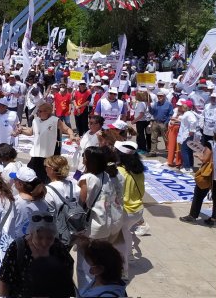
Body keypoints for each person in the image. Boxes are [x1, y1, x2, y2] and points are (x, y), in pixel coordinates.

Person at [76, 146, 124, 288]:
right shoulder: (106, 175)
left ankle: (87, 292)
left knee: (85, 266)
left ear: (89, 160)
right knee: (99, 263)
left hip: (92, 228)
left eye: (84, 156)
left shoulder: (87, 178)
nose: (83, 158)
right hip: (106, 224)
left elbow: (81, 202)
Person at [0, 211, 75, 298]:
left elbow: (68, 272)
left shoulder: (58, 248)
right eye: (40, 237)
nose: (44, 242)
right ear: (31, 234)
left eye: (49, 238)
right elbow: (5, 279)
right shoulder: (17, 247)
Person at [180, 123, 216, 227]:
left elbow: (205, 159)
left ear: (214, 133)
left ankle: (192, 216)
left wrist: (198, 155)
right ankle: (214, 219)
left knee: (199, 193)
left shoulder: (211, 144)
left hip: (210, 174)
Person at [17, 102, 78, 183]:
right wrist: (21, 130)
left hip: (49, 154)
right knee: (33, 172)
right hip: (36, 152)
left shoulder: (55, 120)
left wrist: (71, 135)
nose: (38, 113)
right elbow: (30, 131)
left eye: (40, 111)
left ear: (47, 112)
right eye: (38, 111)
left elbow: (67, 129)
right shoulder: (36, 121)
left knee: (47, 175)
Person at [115, 140, 146, 278]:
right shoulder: (138, 170)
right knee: (126, 233)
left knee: (119, 241)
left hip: (125, 212)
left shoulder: (119, 171)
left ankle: (123, 272)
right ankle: (129, 255)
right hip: (138, 210)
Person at [0, 99, 20, 167]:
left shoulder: (13, 115)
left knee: (7, 161)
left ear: (5, 107)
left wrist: (16, 132)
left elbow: (18, 126)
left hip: (7, 143)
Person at [148, 90, 174, 157]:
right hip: (155, 122)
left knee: (166, 138)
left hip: (163, 123)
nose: (159, 97)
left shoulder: (169, 104)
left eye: (161, 96)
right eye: (158, 96)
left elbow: (170, 114)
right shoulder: (156, 104)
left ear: (164, 96)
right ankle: (153, 152)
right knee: (153, 138)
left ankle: (168, 152)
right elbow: (152, 112)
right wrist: (149, 106)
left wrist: (166, 123)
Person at [176, 99, 199, 173]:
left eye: (183, 105)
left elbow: (193, 121)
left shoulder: (188, 113)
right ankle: (190, 166)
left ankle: (187, 167)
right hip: (186, 134)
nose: (182, 106)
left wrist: (192, 130)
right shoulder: (187, 113)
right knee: (189, 150)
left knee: (184, 150)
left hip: (187, 134)